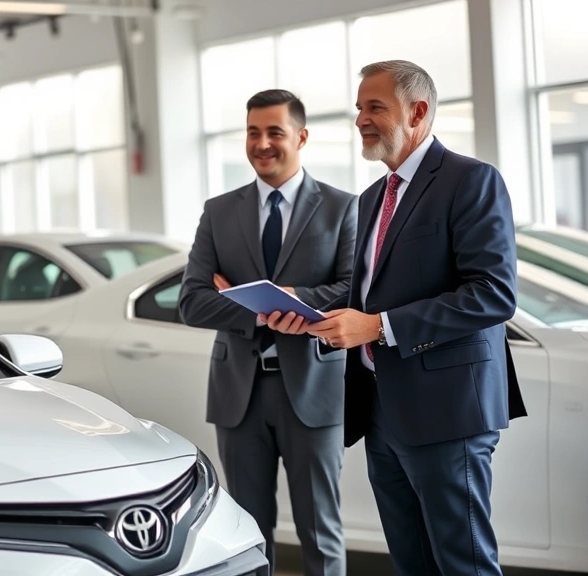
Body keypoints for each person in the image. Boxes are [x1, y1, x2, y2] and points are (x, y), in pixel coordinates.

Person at [276, 60, 527, 575]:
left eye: (375, 107)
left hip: (448, 411)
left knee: (464, 563)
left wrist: (378, 327)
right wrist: (307, 313)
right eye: (358, 108)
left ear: (417, 112)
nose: (361, 119)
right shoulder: (374, 197)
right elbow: (368, 292)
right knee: (412, 562)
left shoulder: (470, 180)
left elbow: (493, 294)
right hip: (381, 409)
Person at [179, 89, 357, 576]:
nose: (262, 143)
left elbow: (354, 292)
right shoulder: (219, 212)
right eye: (253, 132)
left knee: (321, 529)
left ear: (300, 137)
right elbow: (192, 301)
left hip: (314, 392)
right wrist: (257, 311)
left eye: (275, 132)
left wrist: (292, 298)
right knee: (246, 533)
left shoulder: (342, 208)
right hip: (241, 394)